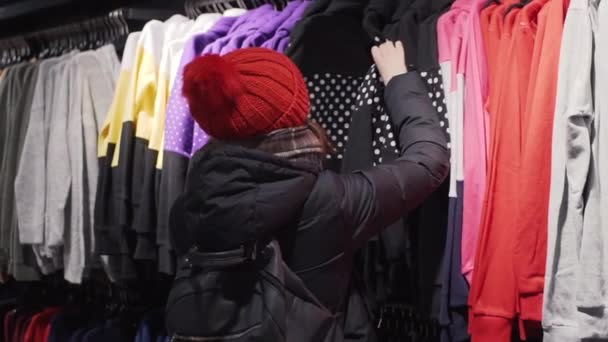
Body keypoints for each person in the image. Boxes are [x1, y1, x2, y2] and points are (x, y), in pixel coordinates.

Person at [170, 41, 449, 340]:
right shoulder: (330, 199)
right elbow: (429, 160)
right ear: (294, 109)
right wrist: (398, 80)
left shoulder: (188, 207)